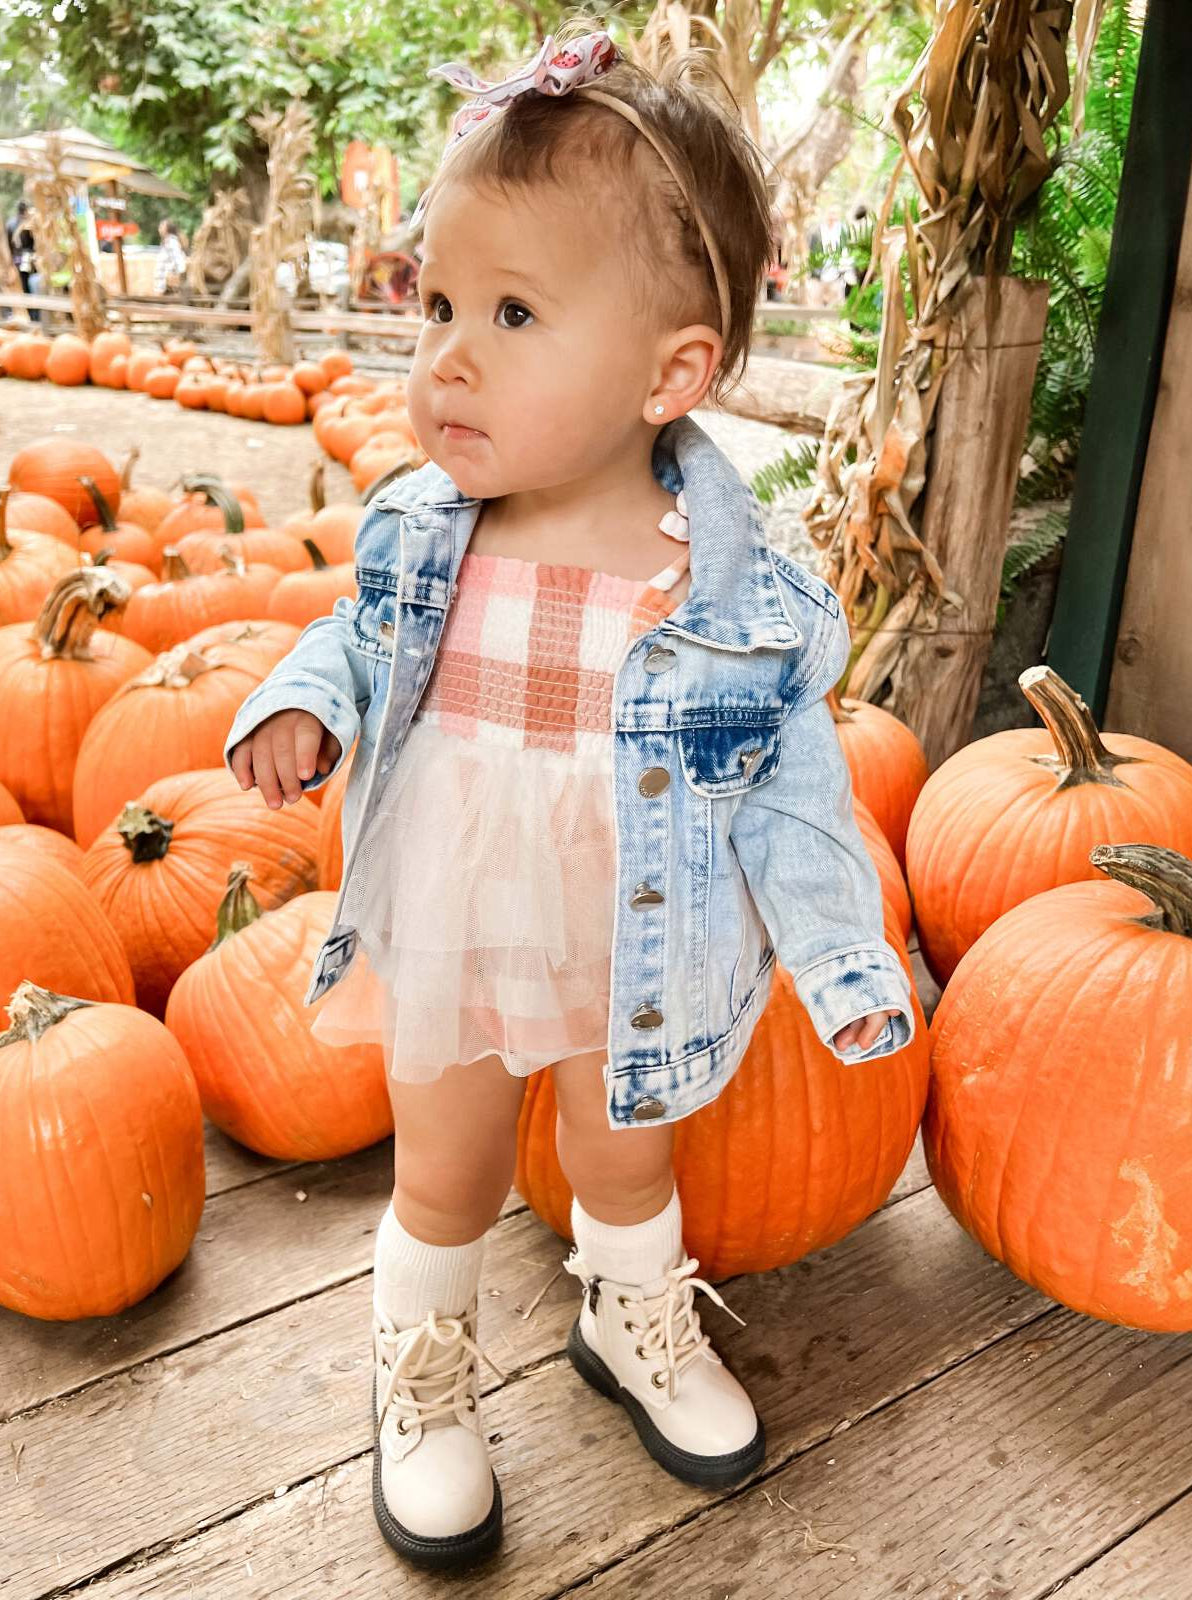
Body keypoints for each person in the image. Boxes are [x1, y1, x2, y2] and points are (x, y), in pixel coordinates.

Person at [224, 25, 914, 1574]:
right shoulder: (424, 528)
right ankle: (426, 1377)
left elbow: (800, 789)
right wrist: (298, 700)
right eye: (441, 305)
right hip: (457, 910)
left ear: (672, 371)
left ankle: (630, 1318)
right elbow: (353, 636)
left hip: (638, 935)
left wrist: (843, 954)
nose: (448, 355)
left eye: (514, 313)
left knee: (625, 1153)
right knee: (448, 1163)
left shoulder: (730, 592)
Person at [5, 201, 40, 323]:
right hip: (29, 258)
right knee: (32, 286)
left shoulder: (10, 223)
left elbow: (9, 245)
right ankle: (35, 315)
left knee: (25, 287)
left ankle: (31, 314)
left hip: (18, 259)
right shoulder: (28, 223)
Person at [154, 217, 188, 295]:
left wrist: (180, 275)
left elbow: (179, 259)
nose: (159, 229)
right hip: (162, 283)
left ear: (167, 229)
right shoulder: (166, 242)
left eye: (161, 226)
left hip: (166, 284)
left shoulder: (172, 242)